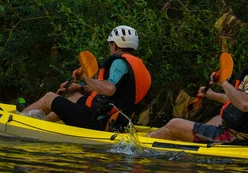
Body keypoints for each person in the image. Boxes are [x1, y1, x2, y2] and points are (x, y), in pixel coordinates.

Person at [148, 29, 248, 144]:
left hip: (237, 137)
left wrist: (224, 82)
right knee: (217, 119)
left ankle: (138, 144)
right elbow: (241, 103)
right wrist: (212, 95)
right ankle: (190, 140)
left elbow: (245, 104)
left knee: (174, 124)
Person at [20, 25, 152, 132]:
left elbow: (109, 89)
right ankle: (41, 126)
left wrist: (85, 77)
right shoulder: (138, 67)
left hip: (96, 123)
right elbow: (113, 95)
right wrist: (80, 87)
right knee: (75, 96)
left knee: (49, 97)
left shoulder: (119, 63)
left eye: (110, 44)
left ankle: (19, 121)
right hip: (115, 124)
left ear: (115, 45)